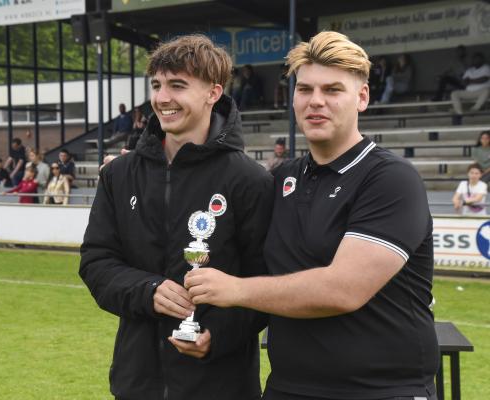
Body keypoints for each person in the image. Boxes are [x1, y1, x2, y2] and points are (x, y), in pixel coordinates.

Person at [185, 31, 439, 400]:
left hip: (382, 391)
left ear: (362, 97)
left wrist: (236, 290)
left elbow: (343, 290)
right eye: (304, 90)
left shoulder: (391, 179)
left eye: (333, 90)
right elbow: (219, 226)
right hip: (287, 387)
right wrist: (145, 169)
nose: (315, 101)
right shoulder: (279, 179)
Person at [79, 34, 273, 400]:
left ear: (213, 93)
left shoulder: (250, 180)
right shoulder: (119, 175)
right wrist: (148, 291)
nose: (162, 98)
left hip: (222, 386)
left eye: (178, 85)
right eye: (157, 85)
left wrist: (219, 335)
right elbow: (96, 262)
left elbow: (266, 280)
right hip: (137, 384)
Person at [451, 52, 490, 125]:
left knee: (487, 90)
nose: (476, 60)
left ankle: (474, 109)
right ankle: (460, 113)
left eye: (478, 58)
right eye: (474, 59)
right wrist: (473, 80)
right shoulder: (469, 70)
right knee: (454, 93)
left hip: (481, 92)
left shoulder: (486, 67)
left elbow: (484, 79)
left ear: (482, 59)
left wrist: (470, 80)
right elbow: (463, 82)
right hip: (469, 92)